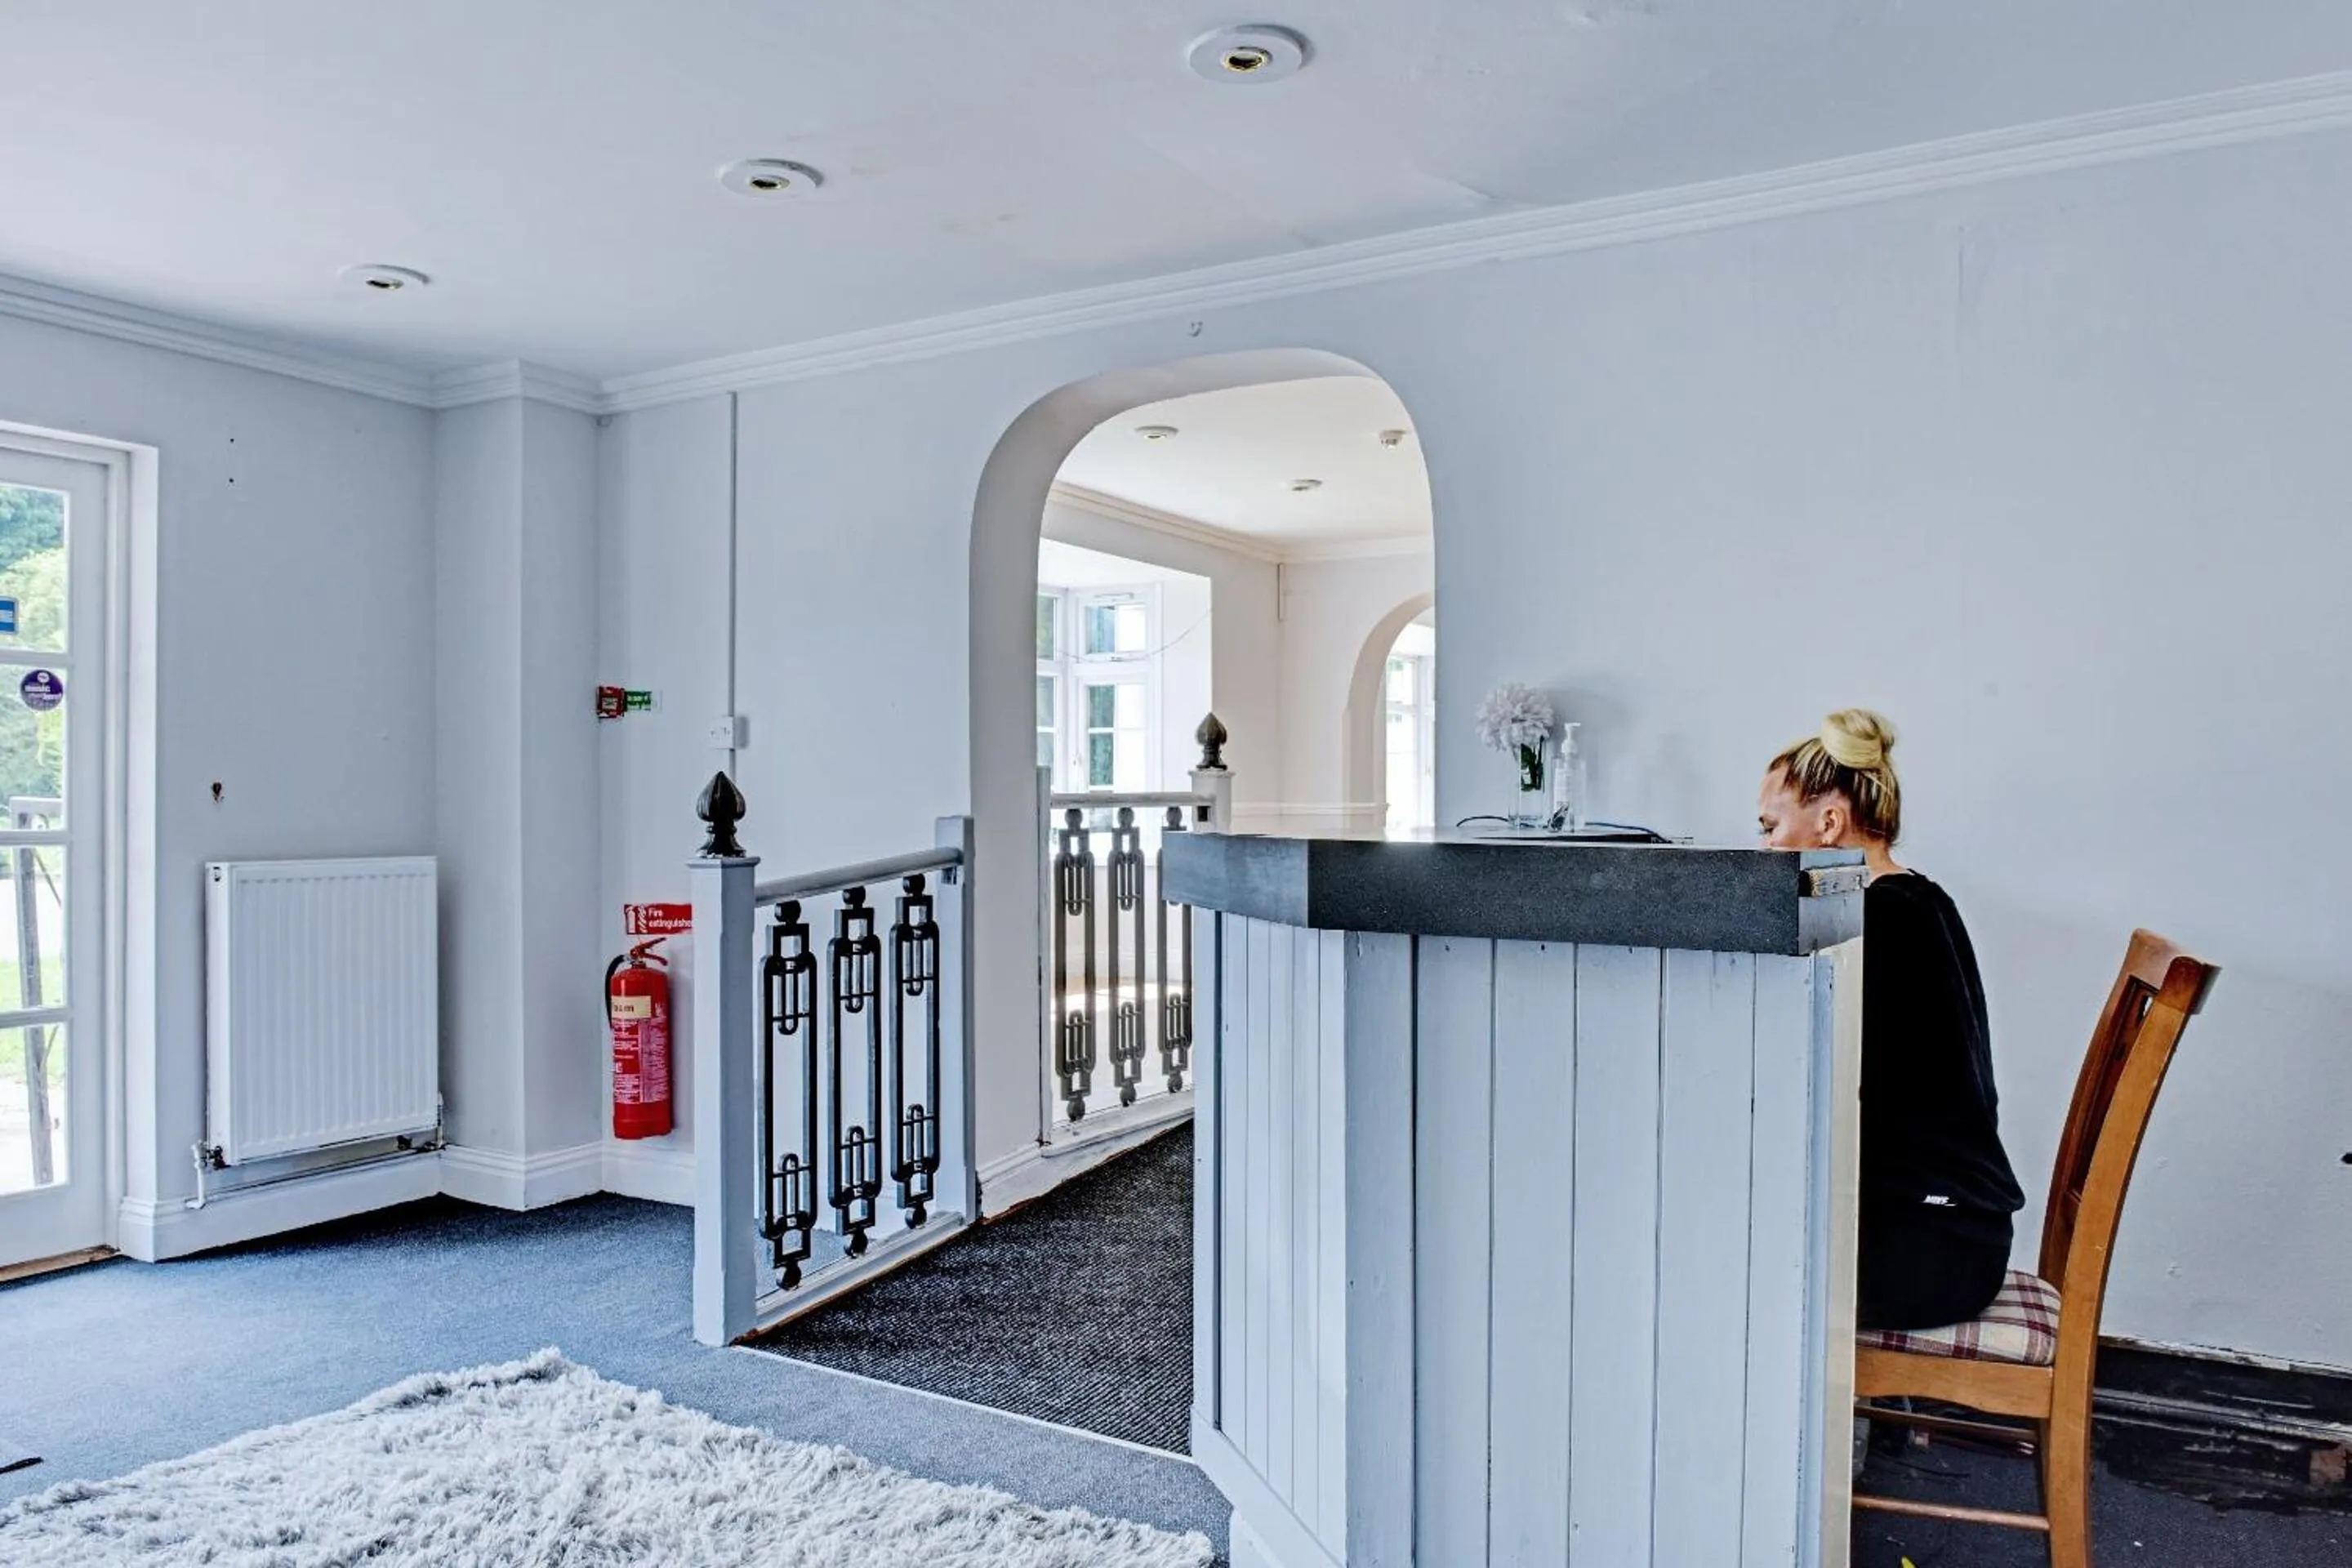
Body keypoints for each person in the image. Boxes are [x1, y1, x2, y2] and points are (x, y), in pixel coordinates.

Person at [1757, 709, 2025, 1330]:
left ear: (1829, 822)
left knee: (1736, 1262)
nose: (1763, 847)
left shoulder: (1884, 925)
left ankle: (1785, 1425)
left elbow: (1821, 1084)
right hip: (1959, 1233)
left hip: (1930, 1252)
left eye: (1770, 827)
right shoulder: (1919, 900)